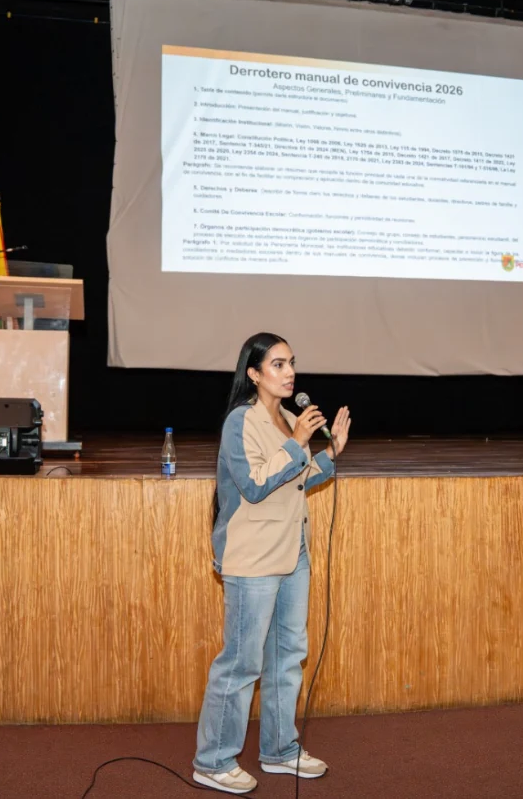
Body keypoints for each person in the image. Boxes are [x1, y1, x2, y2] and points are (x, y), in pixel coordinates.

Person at [192, 332, 352, 794]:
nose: (289, 373)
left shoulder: (287, 418)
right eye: (278, 365)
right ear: (254, 374)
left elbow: (297, 480)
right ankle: (214, 760)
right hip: (253, 557)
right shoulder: (240, 422)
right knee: (242, 664)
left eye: (291, 363)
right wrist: (298, 440)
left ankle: (280, 750)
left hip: (292, 551)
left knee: (286, 658)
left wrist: (331, 451)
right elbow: (256, 485)